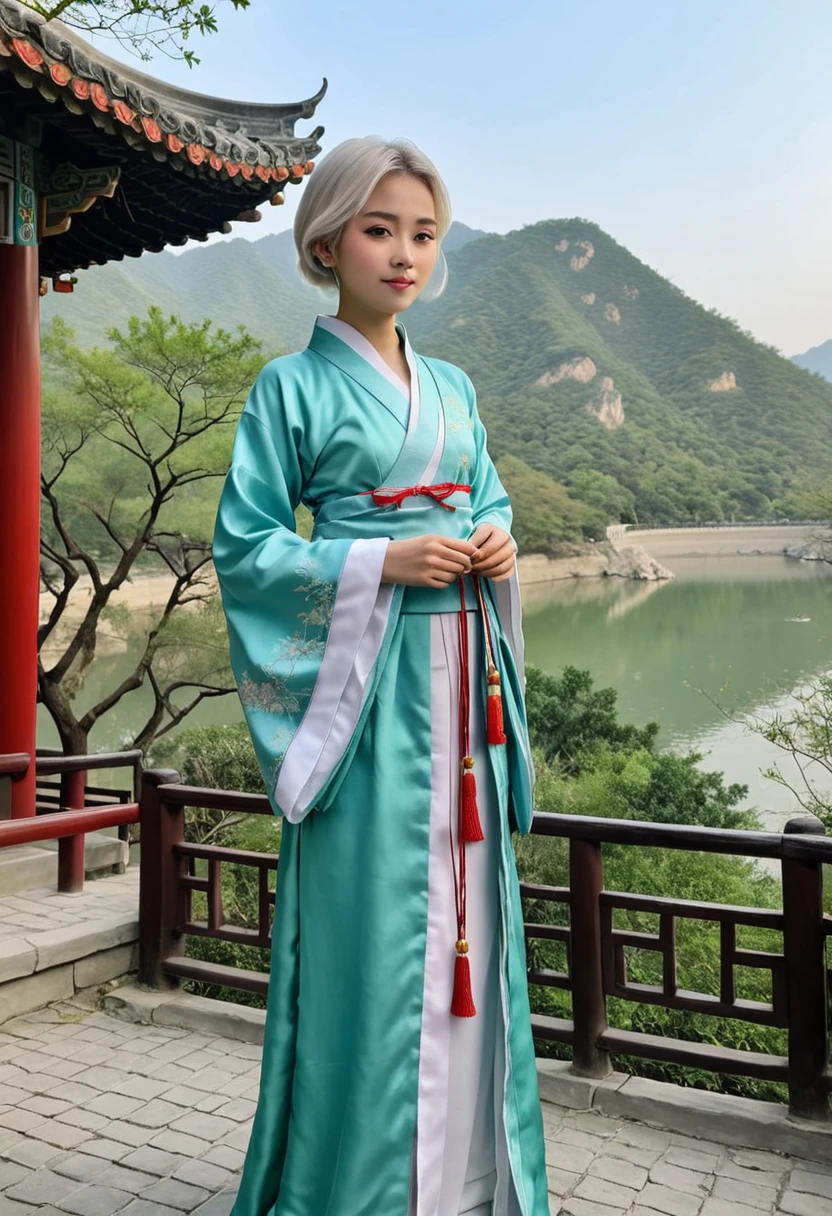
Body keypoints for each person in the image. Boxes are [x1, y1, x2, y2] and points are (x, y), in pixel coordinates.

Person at [213, 136, 549, 1216]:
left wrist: (494, 541)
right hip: (362, 696)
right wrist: (375, 559)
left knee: (475, 927)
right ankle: (357, 1189)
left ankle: (470, 1180)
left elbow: (485, 496)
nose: (403, 253)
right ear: (326, 241)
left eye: (422, 233)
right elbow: (247, 548)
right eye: (378, 228)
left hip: (465, 697)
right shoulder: (289, 388)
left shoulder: (452, 385)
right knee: (372, 941)